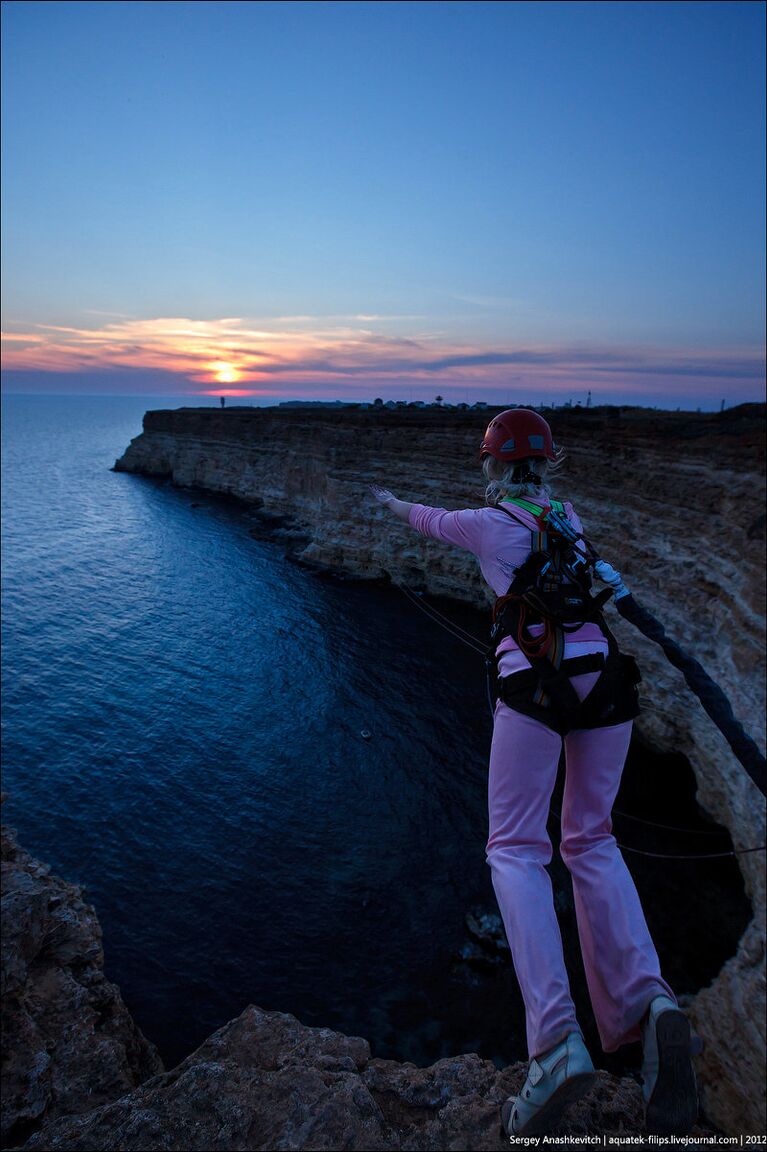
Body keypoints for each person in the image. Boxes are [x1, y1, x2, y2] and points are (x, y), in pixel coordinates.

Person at [370, 408, 698, 1138]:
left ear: (489, 464)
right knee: (592, 840)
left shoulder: (487, 526)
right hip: (605, 683)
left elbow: (422, 519)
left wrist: (388, 504)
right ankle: (648, 1006)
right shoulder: (568, 515)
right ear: (550, 461)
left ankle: (555, 1042)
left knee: (516, 850)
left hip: (535, 688)